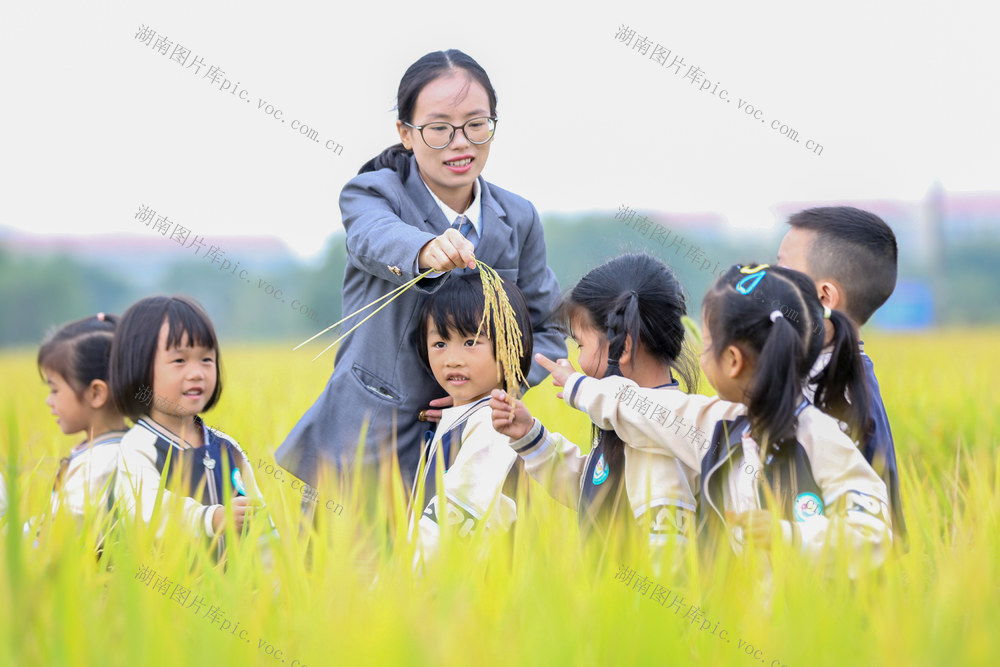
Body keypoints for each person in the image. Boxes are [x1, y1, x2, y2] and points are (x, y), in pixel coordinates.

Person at [276, 50, 565, 496]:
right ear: (405, 134)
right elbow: (373, 236)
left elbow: (546, 332)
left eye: (476, 123)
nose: (460, 141)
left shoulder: (518, 216)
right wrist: (426, 249)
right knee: (348, 567)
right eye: (438, 128)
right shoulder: (373, 193)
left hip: (476, 456)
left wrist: (494, 390)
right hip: (364, 449)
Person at [530, 264, 894, 576]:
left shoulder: (820, 437)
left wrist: (789, 536)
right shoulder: (721, 424)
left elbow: (876, 535)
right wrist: (572, 396)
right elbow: (643, 410)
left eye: (706, 344)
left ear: (733, 361)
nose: (700, 357)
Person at [490, 254, 699, 559]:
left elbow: (668, 563)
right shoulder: (628, 425)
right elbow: (595, 490)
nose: (578, 361)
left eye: (582, 345)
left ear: (623, 347)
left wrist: (578, 387)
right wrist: (529, 436)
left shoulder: (659, 441)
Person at [777, 206, 907, 548]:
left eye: (783, 268)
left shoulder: (840, 396)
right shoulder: (820, 372)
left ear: (824, 297)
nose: (768, 280)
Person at [110, 296, 270, 558]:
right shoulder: (139, 446)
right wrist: (210, 518)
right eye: (179, 361)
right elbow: (147, 511)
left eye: (206, 359)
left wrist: (274, 585)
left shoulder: (227, 448)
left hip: (233, 596)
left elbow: (261, 525)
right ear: (139, 367)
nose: (197, 373)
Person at [409, 274, 533, 566]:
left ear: (511, 347)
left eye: (470, 341)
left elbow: (452, 526)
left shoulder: (494, 427)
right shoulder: (465, 418)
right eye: (440, 343)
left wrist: (400, 585)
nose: (452, 359)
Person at [31, 313, 124, 540]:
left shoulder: (99, 466)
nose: (49, 401)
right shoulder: (123, 448)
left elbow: (55, 543)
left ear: (96, 393)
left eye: (54, 390)